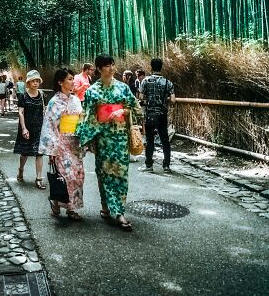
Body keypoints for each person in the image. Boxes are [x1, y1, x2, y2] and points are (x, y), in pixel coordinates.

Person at [76, 54, 141, 232]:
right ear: (98, 69)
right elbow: (87, 116)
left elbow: (136, 108)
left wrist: (121, 111)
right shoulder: (92, 91)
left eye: (112, 64)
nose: (111, 68)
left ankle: (119, 212)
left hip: (120, 137)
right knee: (103, 173)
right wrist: (87, 139)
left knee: (120, 174)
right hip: (102, 138)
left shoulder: (123, 87)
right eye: (107, 65)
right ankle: (105, 205)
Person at [39, 68, 85, 221]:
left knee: (78, 176)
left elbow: (81, 121)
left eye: (73, 79)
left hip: (74, 143)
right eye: (70, 79)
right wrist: (52, 150)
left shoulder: (76, 100)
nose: (73, 82)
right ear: (60, 82)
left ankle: (70, 206)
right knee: (65, 176)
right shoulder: (54, 102)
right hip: (60, 144)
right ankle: (64, 205)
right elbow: (49, 126)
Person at [139, 58, 176, 173]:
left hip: (150, 113)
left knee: (150, 140)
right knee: (165, 140)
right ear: (161, 67)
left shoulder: (145, 81)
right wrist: (164, 99)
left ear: (151, 67)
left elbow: (140, 97)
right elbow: (173, 100)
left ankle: (149, 165)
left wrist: (148, 100)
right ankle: (166, 166)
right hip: (162, 114)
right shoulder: (167, 82)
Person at [14, 70, 46, 189]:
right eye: (33, 81)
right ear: (28, 82)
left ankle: (38, 178)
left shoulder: (42, 95)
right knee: (25, 152)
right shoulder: (23, 96)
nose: (36, 83)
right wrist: (24, 129)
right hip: (26, 127)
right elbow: (21, 113)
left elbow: (44, 110)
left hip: (39, 127)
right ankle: (21, 169)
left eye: (37, 81)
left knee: (39, 153)